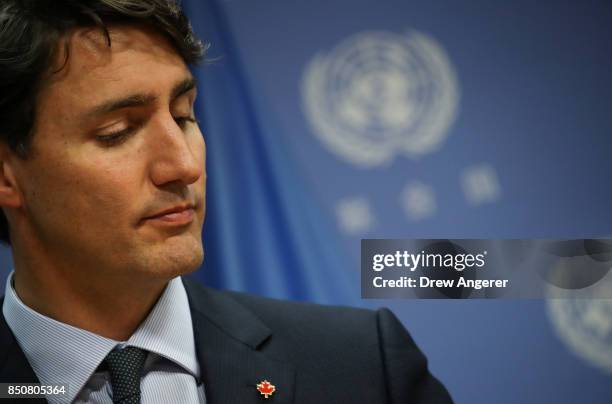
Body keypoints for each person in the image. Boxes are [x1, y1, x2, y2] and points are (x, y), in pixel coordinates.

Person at [0, 1, 452, 403]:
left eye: (184, 116)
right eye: (117, 133)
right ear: (7, 174)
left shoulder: (362, 364)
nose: (183, 165)